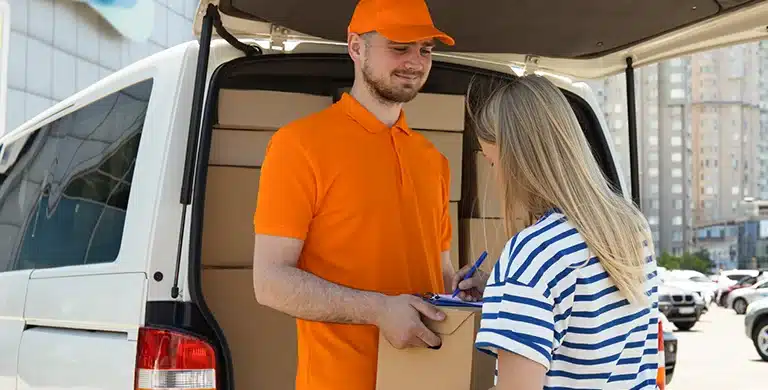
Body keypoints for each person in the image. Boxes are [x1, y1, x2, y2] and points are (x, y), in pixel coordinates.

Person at [251, 0, 459, 389]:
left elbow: (441, 271)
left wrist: (463, 291)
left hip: (429, 380)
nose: (415, 61)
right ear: (356, 47)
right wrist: (379, 309)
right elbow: (270, 281)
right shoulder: (299, 145)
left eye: (426, 50)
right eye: (400, 47)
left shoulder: (433, 160)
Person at [453, 75, 660, 389]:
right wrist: (503, 291)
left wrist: (516, 284)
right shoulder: (632, 228)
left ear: (518, 162)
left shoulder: (532, 252)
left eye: (494, 163)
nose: (495, 178)